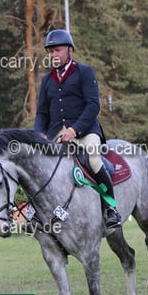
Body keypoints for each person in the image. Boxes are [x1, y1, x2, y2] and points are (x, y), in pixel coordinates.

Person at [34, 29, 121, 228]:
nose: (53, 55)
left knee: (94, 159)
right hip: (56, 133)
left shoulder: (85, 72)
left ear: (70, 50)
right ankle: (36, 212)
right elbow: (42, 113)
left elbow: (93, 106)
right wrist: (39, 134)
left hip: (85, 131)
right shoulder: (47, 80)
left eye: (57, 50)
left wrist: (73, 130)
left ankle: (111, 208)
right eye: (50, 51)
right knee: (37, 164)